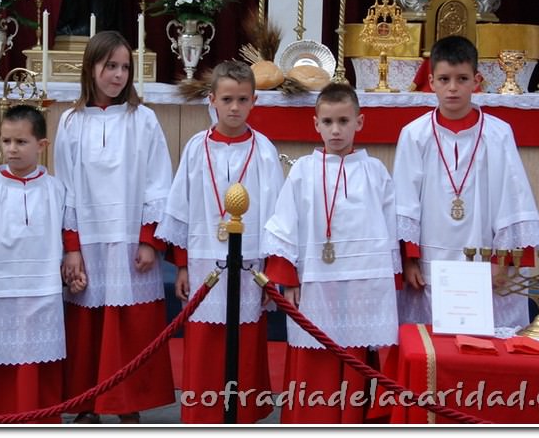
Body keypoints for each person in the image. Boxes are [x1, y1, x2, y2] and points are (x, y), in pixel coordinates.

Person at [55, 30, 175, 424]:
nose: (119, 75)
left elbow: (159, 183)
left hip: (130, 240)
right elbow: (65, 189)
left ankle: (127, 403)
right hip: (88, 239)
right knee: (88, 326)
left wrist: (149, 240)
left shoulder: (143, 120)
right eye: (110, 66)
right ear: (91, 67)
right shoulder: (71, 122)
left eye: (125, 67)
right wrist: (72, 247)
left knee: (128, 327)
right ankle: (88, 404)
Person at [262, 83, 400, 424]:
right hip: (315, 283)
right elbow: (283, 224)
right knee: (315, 358)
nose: (335, 130)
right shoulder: (303, 171)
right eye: (328, 122)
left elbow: (391, 230)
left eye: (343, 121)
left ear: (359, 122)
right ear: (316, 124)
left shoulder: (375, 172)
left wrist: (389, 284)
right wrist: (288, 278)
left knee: (356, 356)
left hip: (363, 287)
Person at [156, 60, 284, 423]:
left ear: (254, 101)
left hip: (251, 266)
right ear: (211, 99)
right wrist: (182, 266)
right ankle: (203, 418)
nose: (234, 108)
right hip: (204, 261)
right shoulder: (197, 148)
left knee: (245, 343)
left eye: (242, 99)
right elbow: (180, 208)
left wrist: (272, 274)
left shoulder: (263, 150)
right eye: (227, 99)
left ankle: (241, 418)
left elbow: (278, 217)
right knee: (204, 344)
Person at [393, 35, 539, 328]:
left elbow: (513, 198)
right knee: (431, 338)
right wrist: (409, 260)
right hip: (429, 259)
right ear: (431, 82)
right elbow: (404, 200)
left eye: (462, 79)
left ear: (476, 81)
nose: (453, 87)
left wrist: (502, 262)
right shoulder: (414, 134)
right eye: (444, 79)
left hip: (485, 256)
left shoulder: (498, 133)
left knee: (484, 337)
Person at [0, 104, 78, 424]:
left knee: (38, 364)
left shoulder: (55, 189)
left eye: (21, 142)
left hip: (43, 292)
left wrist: (72, 270)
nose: (12, 149)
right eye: (6, 141)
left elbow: (68, 234)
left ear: (41, 145)